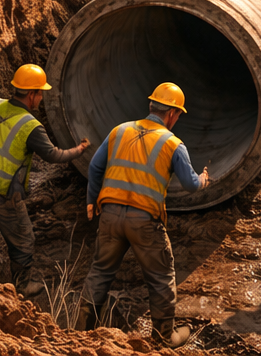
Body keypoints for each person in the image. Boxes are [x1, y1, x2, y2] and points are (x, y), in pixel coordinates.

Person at [80, 83, 210, 349]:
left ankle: (82, 329)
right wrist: (205, 179)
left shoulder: (120, 130)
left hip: (110, 215)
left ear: (151, 106)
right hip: (144, 222)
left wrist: (92, 201)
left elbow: (95, 166)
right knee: (161, 277)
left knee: (101, 270)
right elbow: (190, 185)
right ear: (172, 114)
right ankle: (164, 337)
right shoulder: (174, 144)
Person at [0, 65, 90, 296]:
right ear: (31, 94)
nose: (41, 98)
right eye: (41, 93)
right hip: (0, 193)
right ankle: (21, 287)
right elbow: (54, 155)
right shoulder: (30, 126)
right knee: (23, 239)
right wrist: (79, 150)